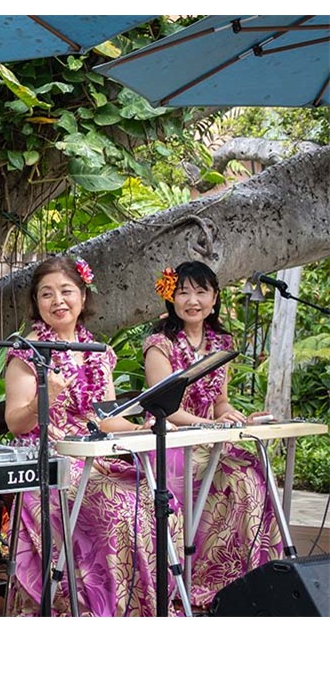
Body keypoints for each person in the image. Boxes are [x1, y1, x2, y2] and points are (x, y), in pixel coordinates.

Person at [4, 256, 172, 616]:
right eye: (46, 294)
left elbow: (105, 420)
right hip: (47, 467)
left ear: (83, 296)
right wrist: (44, 398)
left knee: (156, 502)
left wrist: (140, 427)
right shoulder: (28, 353)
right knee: (120, 508)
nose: (58, 301)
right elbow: (15, 423)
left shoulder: (95, 351)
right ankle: (95, 606)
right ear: (36, 302)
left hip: (92, 461)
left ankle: (139, 606)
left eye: (66, 291)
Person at [144, 261, 282, 609]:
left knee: (251, 477)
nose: (192, 300)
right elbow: (165, 408)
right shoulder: (160, 344)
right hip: (171, 441)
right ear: (171, 297)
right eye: (183, 292)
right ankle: (191, 583)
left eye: (201, 292)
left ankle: (244, 581)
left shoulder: (221, 342)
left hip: (210, 440)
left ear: (215, 297)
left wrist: (234, 417)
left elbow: (219, 402)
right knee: (222, 479)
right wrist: (209, 426)